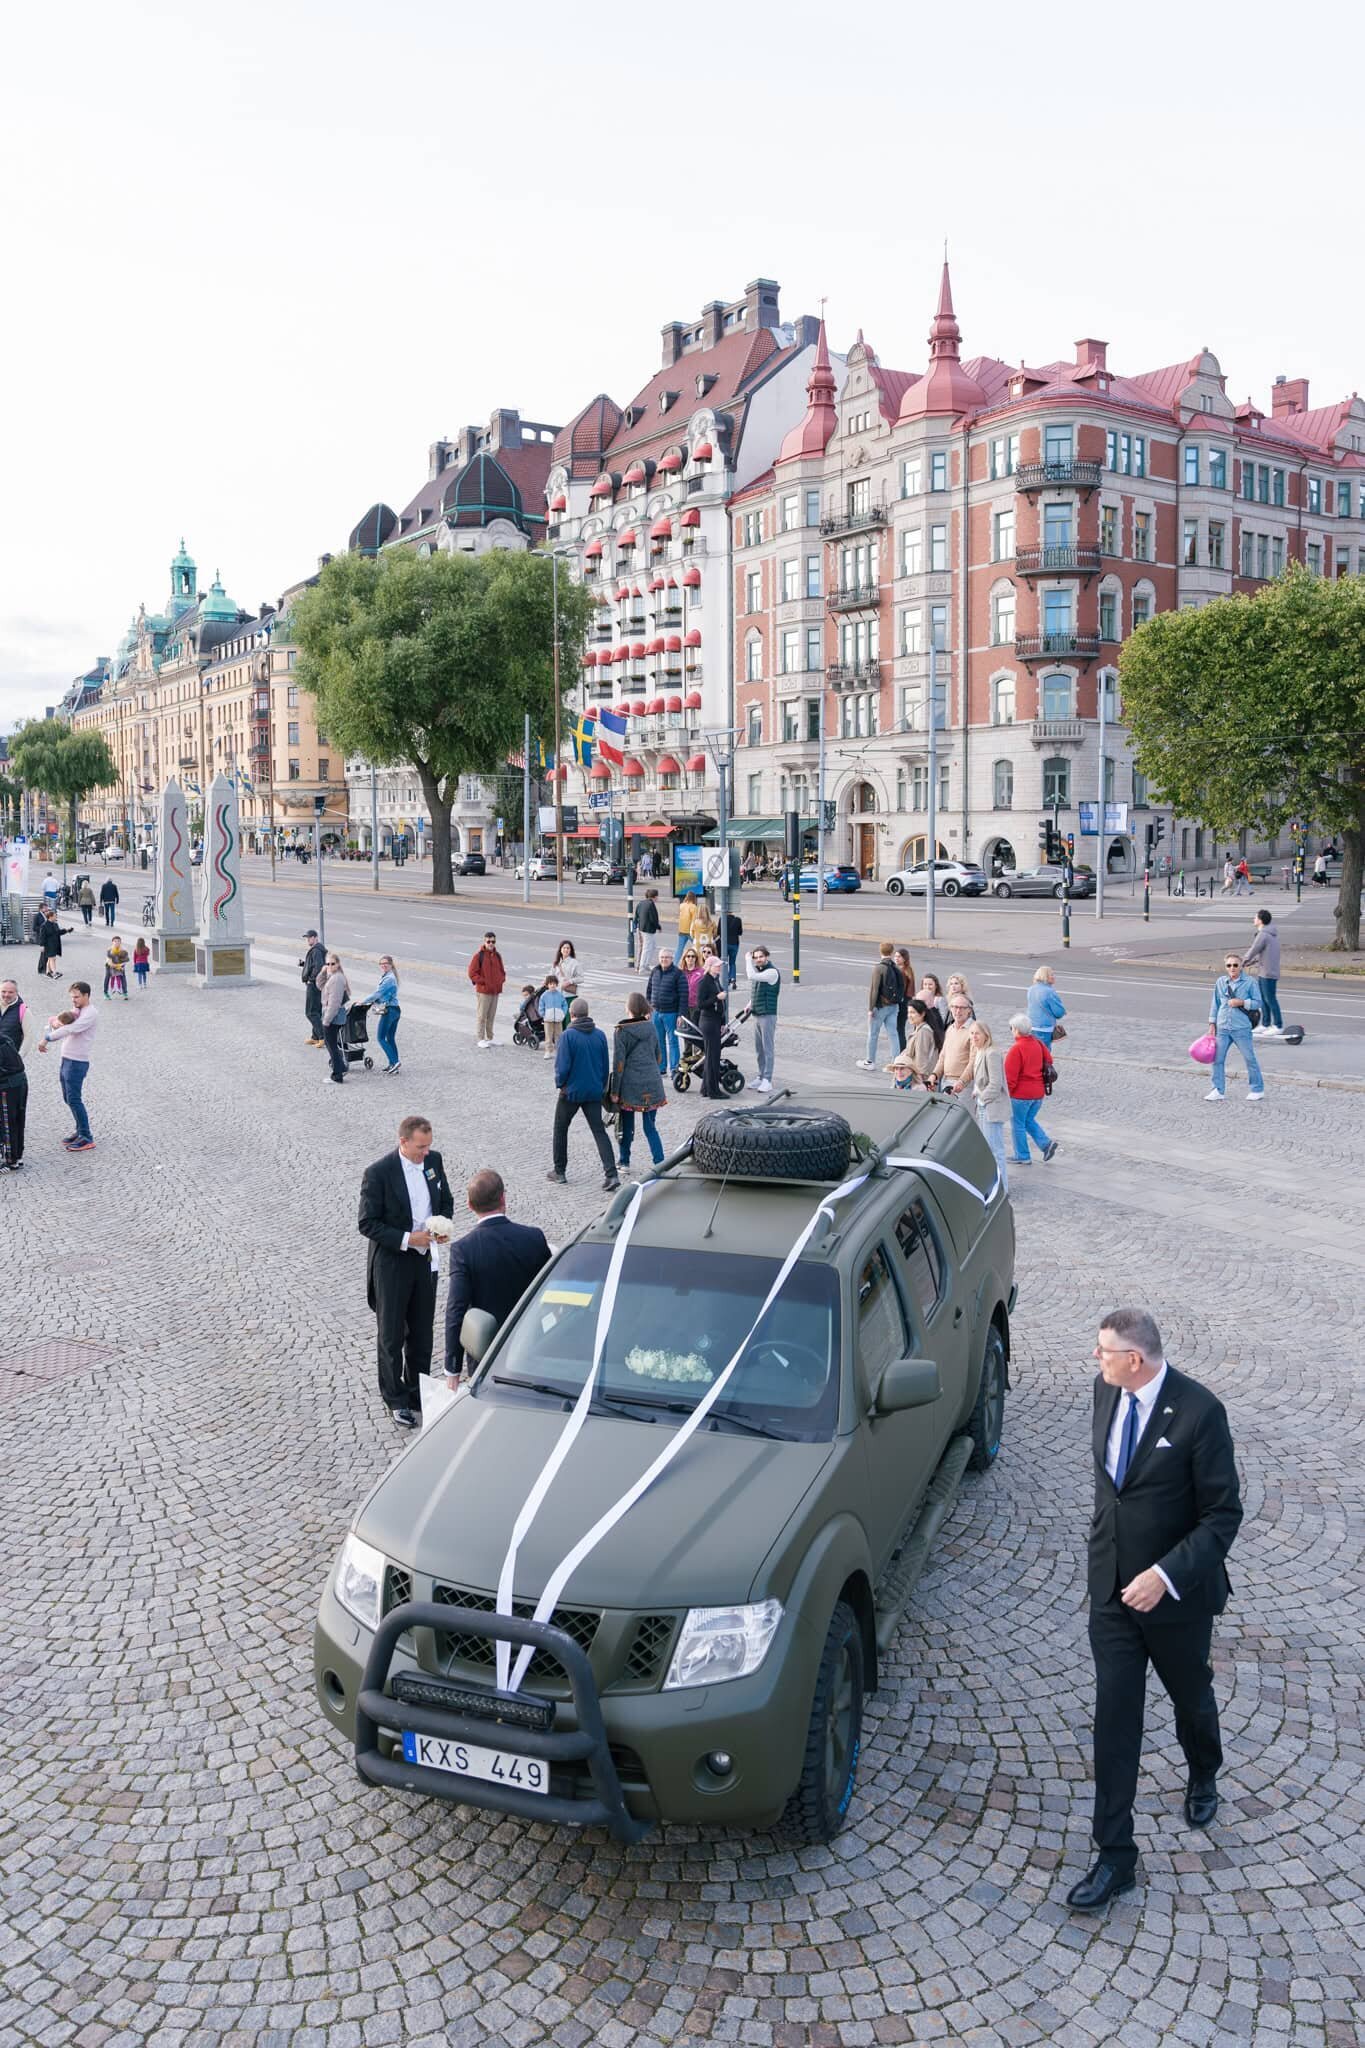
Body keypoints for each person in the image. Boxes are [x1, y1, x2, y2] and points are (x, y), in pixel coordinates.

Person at [1066, 1307, 1243, 1912]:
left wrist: (1165, 1576)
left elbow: (1223, 1515)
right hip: (1111, 1594)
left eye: (1103, 1351)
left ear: (1133, 1359)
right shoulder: (1105, 1391)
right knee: (1115, 1718)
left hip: (1175, 1602)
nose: (1096, 1359)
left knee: (1190, 1695)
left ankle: (1203, 1771)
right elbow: (1112, 1489)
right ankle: (1116, 1857)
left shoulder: (1200, 1413)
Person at [358, 1115, 456, 1428]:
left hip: (426, 1259)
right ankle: (395, 1398)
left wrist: (441, 1226)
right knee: (391, 1334)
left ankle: (418, 1392)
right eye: (420, 1147)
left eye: (428, 1146)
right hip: (392, 1263)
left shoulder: (434, 1161)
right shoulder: (378, 1173)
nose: (426, 1152)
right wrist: (406, 1239)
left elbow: (446, 1201)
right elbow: (367, 1223)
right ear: (403, 1141)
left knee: (422, 1331)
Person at [442, 1168, 551, 1384]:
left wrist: (452, 1368)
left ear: (470, 1205)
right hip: (532, 1346)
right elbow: (552, 1290)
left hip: (486, 1352)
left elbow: (456, 1310)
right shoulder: (534, 1238)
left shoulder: (463, 1250)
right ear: (503, 1197)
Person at [549, 998, 619, 1190]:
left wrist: (560, 1084)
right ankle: (611, 1174)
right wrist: (601, 1086)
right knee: (599, 1131)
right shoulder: (600, 1035)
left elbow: (562, 1067)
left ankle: (560, 1171)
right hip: (593, 1091)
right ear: (587, 1014)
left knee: (560, 1128)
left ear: (571, 1014)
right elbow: (605, 1065)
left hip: (571, 1092)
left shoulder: (568, 1036)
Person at [36, 981, 97, 1152]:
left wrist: (46, 1038)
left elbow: (71, 1029)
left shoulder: (90, 1013)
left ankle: (86, 1136)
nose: (74, 1000)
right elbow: (59, 1021)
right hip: (67, 1059)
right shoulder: (77, 1010)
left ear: (86, 995)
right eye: (72, 997)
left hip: (77, 1062)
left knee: (74, 1099)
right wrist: (55, 1022)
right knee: (68, 1098)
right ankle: (79, 1131)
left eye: (77, 997)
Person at [611, 992, 667, 1171]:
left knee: (626, 1126)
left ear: (629, 1009)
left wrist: (614, 1091)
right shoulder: (650, 1027)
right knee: (650, 1127)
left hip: (631, 1085)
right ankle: (660, 1163)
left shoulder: (621, 1031)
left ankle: (624, 1161)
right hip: (653, 1082)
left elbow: (619, 1064)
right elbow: (659, 1057)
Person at [1204, 953, 1264, 1103]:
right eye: (1229, 965)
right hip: (1223, 1027)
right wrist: (1212, 1023)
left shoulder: (1250, 982)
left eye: (1235, 965)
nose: (1232, 968)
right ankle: (1217, 1090)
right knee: (1217, 1059)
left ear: (1241, 966)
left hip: (1241, 1028)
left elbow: (1258, 1002)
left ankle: (1257, 1089)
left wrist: (1242, 1002)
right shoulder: (1220, 982)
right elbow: (1215, 1003)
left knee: (1249, 1059)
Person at [1004, 1014, 1057, 1164]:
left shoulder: (1016, 1049)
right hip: (1038, 1094)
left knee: (1018, 1125)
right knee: (1028, 1120)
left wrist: (1006, 1094)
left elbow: (1010, 1078)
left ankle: (1023, 1156)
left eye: (1011, 1028)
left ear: (1016, 1030)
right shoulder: (1038, 1043)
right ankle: (1046, 1144)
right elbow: (1049, 1060)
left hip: (1021, 1095)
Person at [968, 1020, 1009, 1192]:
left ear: (986, 1035)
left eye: (977, 1033)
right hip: (983, 1104)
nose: (974, 1037)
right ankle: (994, 1185)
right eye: (971, 1033)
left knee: (995, 1150)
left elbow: (995, 1084)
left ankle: (1003, 1187)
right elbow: (981, 1080)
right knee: (989, 1147)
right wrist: (977, 1091)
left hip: (991, 1106)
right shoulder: (979, 1052)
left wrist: (983, 1098)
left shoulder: (991, 1053)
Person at [857, 941, 904, 1072]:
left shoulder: (879, 968)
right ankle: (896, 1063)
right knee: (893, 1034)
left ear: (880, 951)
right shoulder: (896, 968)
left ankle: (870, 1061)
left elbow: (874, 990)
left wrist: (871, 1008)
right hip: (894, 1006)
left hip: (880, 1006)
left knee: (873, 1034)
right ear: (892, 952)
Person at [354, 955, 400, 1072]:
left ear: (391, 964)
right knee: (390, 1038)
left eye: (386, 963)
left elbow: (377, 994)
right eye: (381, 964)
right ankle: (393, 1064)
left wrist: (362, 1002)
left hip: (389, 1011)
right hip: (395, 1009)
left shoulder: (389, 979)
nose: (383, 965)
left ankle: (395, 1062)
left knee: (380, 1038)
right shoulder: (389, 977)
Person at [1241, 910, 1282, 1037]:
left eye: (1255, 917)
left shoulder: (1263, 935)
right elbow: (1264, 954)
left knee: (1270, 999)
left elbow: (1254, 949)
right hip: (1266, 970)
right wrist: (1251, 962)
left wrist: (1242, 962)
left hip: (1268, 972)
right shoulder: (1269, 934)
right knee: (1263, 999)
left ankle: (1278, 1025)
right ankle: (1265, 1024)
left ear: (1260, 920)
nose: (1254, 919)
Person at [745, 945, 780, 1092]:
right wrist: (749, 1004)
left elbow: (751, 976)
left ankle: (767, 1079)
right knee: (759, 1049)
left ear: (767, 956)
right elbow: (757, 990)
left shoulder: (771, 972)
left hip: (767, 1014)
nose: (758, 959)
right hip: (757, 1013)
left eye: (761, 957)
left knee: (768, 1048)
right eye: (756, 957)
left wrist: (747, 960)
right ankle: (760, 1076)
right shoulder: (760, 971)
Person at [646, 950, 685, 1075]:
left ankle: (674, 1069)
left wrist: (680, 1015)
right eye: (662, 957)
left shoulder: (678, 974)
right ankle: (661, 1068)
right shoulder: (655, 971)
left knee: (673, 1042)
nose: (664, 960)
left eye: (667, 957)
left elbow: (684, 996)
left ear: (672, 959)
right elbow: (649, 991)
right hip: (656, 1013)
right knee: (659, 1041)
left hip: (671, 1013)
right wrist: (648, 1009)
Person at [0, 987, 26, 1170]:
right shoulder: (4, 1039)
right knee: (15, 1119)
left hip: (9, 1085)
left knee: (8, 1121)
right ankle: (15, 1156)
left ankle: (11, 1160)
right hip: (16, 1082)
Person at [887, 999, 938, 1090]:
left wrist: (920, 1081)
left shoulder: (923, 1031)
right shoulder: (919, 1029)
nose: (909, 1016)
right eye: (908, 1012)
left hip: (920, 1080)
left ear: (922, 1014)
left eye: (913, 1012)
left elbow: (921, 1059)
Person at [468, 930, 506, 1048]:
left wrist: (501, 980)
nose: (491, 943)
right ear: (484, 941)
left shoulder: (497, 956)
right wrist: (484, 982)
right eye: (488, 941)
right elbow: (472, 973)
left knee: (491, 1016)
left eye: (493, 941)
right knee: (482, 1015)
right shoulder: (478, 956)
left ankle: (490, 1038)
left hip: (495, 991)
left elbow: (502, 971)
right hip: (484, 991)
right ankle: (480, 1038)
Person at [696, 953, 727, 1099]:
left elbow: (720, 1005)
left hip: (715, 1021)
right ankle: (713, 1091)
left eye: (719, 965)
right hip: (708, 1021)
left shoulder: (715, 980)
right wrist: (717, 997)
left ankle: (706, 1088)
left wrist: (722, 1022)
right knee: (713, 1056)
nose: (719, 967)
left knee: (712, 1056)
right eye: (717, 965)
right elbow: (700, 1004)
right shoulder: (705, 982)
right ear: (709, 967)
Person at [933, 992, 976, 1094]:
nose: (958, 1011)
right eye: (955, 1007)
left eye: (962, 1008)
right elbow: (943, 1056)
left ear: (969, 1010)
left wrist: (962, 1081)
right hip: (946, 1081)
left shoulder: (974, 1029)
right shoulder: (950, 1029)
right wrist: (934, 1075)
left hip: (964, 1085)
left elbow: (974, 1061)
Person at [319, 953, 351, 1083]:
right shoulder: (332, 976)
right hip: (333, 1015)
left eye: (332, 963)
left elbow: (334, 1003)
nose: (330, 966)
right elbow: (319, 986)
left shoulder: (337, 979)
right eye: (328, 964)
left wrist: (327, 1020)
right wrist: (322, 972)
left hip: (334, 1016)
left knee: (331, 1044)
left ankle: (337, 1075)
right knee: (331, 1043)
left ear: (338, 964)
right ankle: (341, 1067)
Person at [1027, 965, 1067, 1050]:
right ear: (1045, 977)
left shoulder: (1031, 989)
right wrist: (1063, 1011)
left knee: (1033, 1050)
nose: (1054, 977)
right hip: (1045, 1027)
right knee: (1044, 1052)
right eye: (1051, 975)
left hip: (1031, 1025)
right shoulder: (1049, 992)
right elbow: (1058, 1012)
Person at [300, 929, 326, 1046]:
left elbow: (319, 967)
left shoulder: (316, 951)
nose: (308, 940)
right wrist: (304, 964)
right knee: (316, 1011)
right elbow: (314, 965)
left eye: (309, 937)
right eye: (307, 938)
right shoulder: (318, 950)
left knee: (310, 1012)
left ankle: (322, 1037)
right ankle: (315, 1037)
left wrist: (311, 979)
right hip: (317, 984)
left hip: (314, 985)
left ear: (315, 938)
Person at [537, 973, 567, 1061]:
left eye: (554, 984)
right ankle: (548, 1051)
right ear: (547, 985)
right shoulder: (544, 996)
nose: (552, 985)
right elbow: (541, 1006)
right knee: (548, 1036)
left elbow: (564, 1005)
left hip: (558, 1019)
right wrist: (543, 1014)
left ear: (557, 984)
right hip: (547, 1020)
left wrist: (563, 1014)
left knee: (559, 1035)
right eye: (550, 984)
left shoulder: (560, 995)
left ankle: (559, 1051)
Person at [37, 911, 72, 981]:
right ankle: (54, 973)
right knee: (52, 958)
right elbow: (42, 936)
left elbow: (58, 932)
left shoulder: (55, 924)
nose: (56, 917)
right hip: (48, 945)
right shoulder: (44, 925)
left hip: (55, 944)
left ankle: (48, 972)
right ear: (50, 917)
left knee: (52, 958)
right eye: (55, 916)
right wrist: (42, 945)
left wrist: (67, 930)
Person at [634, 888, 661, 974]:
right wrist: (658, 926)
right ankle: (642, 967)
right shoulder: (651, 904)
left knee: (652, 946)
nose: (658, 898)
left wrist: (635, 925)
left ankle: (646, 964)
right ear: (655, 897)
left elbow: (636, 915)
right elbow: (653, 918)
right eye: (657, 896)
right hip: (648, 929)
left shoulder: (641, 903)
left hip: (641, 928)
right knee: (647, 948)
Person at [893, 947, 916, 1051]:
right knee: (900, 1028)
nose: (896, 958)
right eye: (895, 956)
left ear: (904, 958)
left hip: (902, 1002)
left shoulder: (901, 971)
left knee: (899, 1029)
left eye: (899, 956)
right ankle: (902, 1051)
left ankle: (901, 1052)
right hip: (906, 1001)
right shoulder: (908, 969)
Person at [679, 945, 704, 1021]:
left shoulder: (701, 972)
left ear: (696, 958)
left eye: (693, 956)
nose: (690, 958)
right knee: (683, 1029)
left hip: (696, 1006)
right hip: (683, 1006)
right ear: (684, 958)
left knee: (694, 1029)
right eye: (688, 956)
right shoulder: (679, 972)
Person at [724, 906, 743, 991]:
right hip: (735, 943)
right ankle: (733, 979)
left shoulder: (722, 919)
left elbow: (718, 932)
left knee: (725, 962)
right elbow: (740, 932)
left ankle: (726, 980)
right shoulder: (738, 920)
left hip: (725, 944)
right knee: (732, 962)